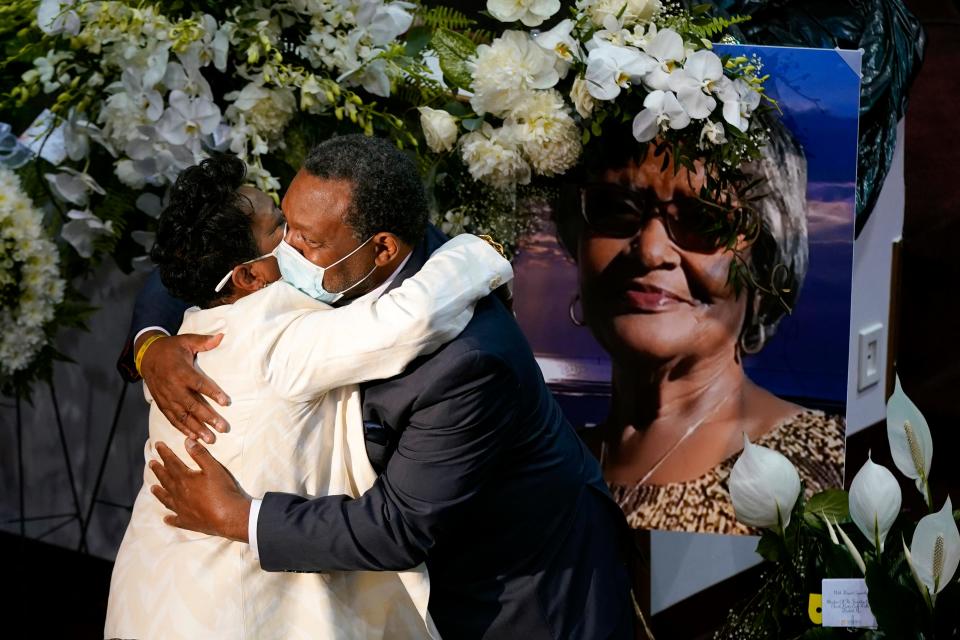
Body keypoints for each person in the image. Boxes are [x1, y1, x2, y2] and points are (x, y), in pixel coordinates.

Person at [120, 135, 636, 639]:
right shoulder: (329, 252)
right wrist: (152, 343)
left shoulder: (467, 358)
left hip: (517, 591)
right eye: (283, 225)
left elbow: (397, 528)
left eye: (305, 239)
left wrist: (241, 517)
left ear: (382, 249)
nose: (288, 247)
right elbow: (196, 256)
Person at [554, 117, 845, 535]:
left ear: (763, 263)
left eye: (703, 219)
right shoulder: (544, 468)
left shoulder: (823, 470)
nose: (651, 252)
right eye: (615, 209)